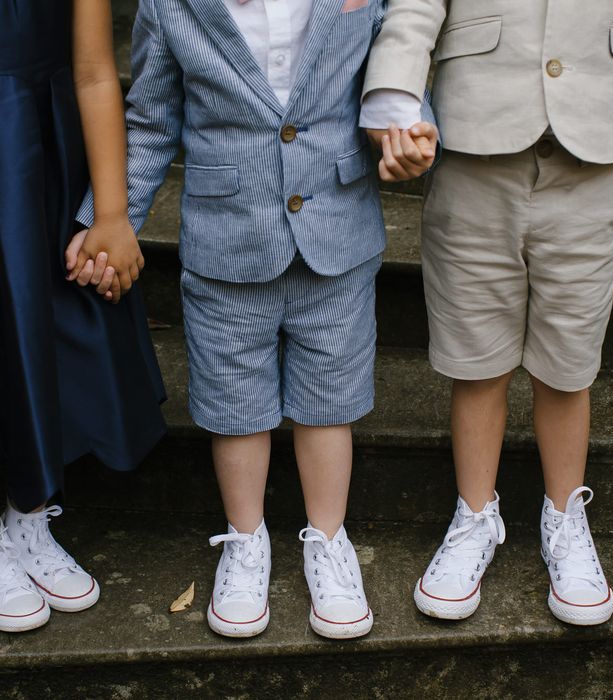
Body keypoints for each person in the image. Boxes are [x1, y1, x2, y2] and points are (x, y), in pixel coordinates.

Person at [74, 0, 438, 639]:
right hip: (226, 237)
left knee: (331, 397)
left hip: (336, 229)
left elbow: (392, 72)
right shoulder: (171, 6)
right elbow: (153, 122)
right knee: (232, 398)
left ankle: (328, 539)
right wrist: (108, 219)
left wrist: (407, 129)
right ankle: (246, 542)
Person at [361, 0, 613, 626]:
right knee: (477, 358)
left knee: (568, 364)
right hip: (474, 147)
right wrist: (395, 103)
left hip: (592, 155)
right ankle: (474, 516)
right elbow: (413, 9)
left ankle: (565, 517)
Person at [0, 0, 166, 633]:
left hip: (39, 143)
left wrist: (113, 213)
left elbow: (95, 69)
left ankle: (28, 508)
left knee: (36, 320)